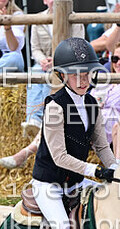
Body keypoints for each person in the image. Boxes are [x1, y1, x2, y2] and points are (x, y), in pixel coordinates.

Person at [25, 37, 118, 229]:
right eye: (76, 74)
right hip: (49, 183)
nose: (83, 80)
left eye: (87, 73)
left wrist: (116, 169)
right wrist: (94, 171)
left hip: (76, 182)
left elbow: (101, 146)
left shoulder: (92, 103)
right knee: (62, 228)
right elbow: (59, 156)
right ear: (63, 76)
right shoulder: (55, 106)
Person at [0, 41, 120, 169]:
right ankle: (25, 153)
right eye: (115, 58)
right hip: (90, 121)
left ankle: (115, 167)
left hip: (113, 126)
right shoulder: (103, 80)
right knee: (60, 114)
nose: (118, 63)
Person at [24, 0, 86, 139]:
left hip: (67, 64)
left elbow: (78, 47)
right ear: (45, 1)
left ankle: (46, 117)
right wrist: (42, 60)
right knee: (34, 73)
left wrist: (57, 61)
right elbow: (35, 48)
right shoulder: (38, 19)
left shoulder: (75, 19)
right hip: (43, 63)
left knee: (54, 75)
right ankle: (33, 119)